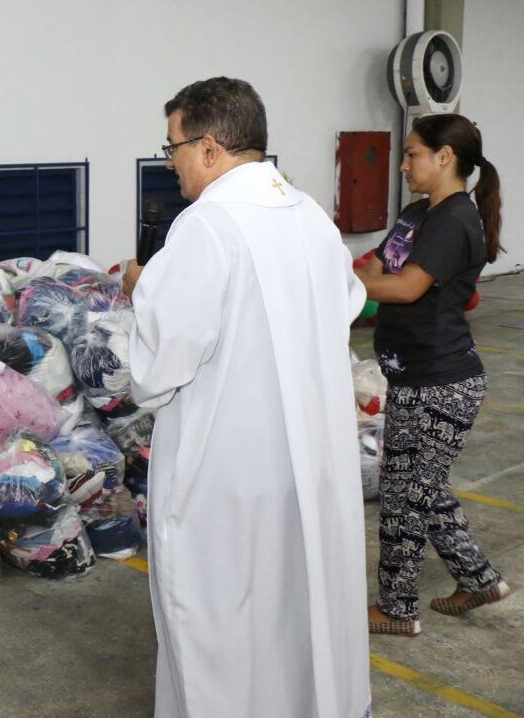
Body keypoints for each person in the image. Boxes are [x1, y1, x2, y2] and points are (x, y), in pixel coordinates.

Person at [121, 77, 371, 718]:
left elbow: (157, 369)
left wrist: (142, 291)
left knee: (222, 625)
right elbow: (347, 303)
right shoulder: (311, 216)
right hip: (307, 466)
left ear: (208, 147)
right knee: (299, 611)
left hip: (225, 480)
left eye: (173, 146)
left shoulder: (207, 225)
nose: (170, 161)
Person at [355, 114, 509, 636]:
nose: (403, 165)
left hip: (442, 383)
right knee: (421, 486)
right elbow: (374, 267)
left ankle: (397, 610)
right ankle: (479, 579)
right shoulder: (418, 213)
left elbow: (404, 288)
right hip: (412, 377)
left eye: (412, 154)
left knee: (404, 498)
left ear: (445, 157)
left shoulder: (454, 220)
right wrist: (356, 277)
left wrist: (344, 284)